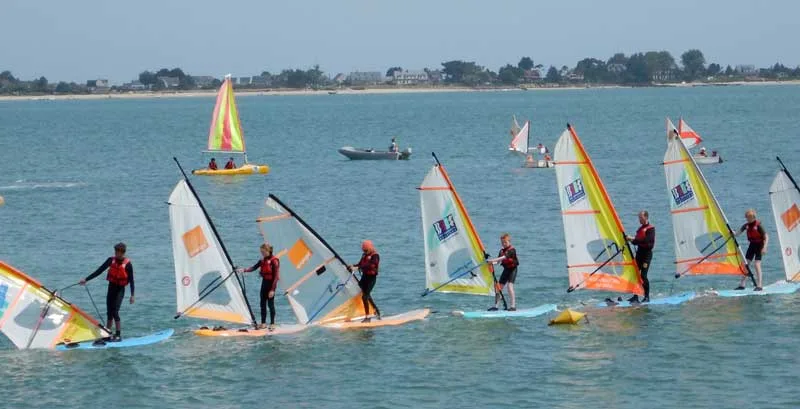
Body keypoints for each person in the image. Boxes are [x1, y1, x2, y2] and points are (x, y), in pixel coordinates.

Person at [80, 242, 134, 341]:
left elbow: (131, 280)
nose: (117, 254)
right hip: (111, 288)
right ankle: (108, 333)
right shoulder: (110, 260)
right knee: (109, 312)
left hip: (120, 290)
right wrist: (86, 279)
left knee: (115, 312)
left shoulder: (128, 265)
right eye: (116, 252)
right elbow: (99, 271)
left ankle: (118, 334)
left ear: (123, 253)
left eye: (119, 252)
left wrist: (132, 295)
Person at [239, 243, 279, 329]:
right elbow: (253, 268)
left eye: (264, 252)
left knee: (270, 304)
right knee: (262, 304)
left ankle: (272, 324)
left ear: (269, 251)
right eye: (261, 252)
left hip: (271, 284)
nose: (262, 254)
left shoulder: (274, 261)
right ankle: (263, 323)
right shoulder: (262, 261)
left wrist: (272, 290)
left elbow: (276, 277)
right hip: (264, 283)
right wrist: (244, 270)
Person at [625, 210, 655, 303]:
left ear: (646, 217)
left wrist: (634, 239)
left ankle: (647, 297)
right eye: (639, 218)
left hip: (647, 255)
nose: (639, 220)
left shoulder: (650, 229)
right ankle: (635, 296)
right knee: (636, 274)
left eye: (641, 218)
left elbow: (647, 242)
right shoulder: (640, 229)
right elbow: (635, 242)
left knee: (643, 275)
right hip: (639, 254)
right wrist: (629, 239)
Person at [348, 240, 380, 323]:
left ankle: (368, 317)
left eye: (366, 250)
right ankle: (376, 311)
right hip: (364, 277)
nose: (365, 251)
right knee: (365, 294)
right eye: (363, 250)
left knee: (365, 296)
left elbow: (371, 265)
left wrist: (358, 268)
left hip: (371, 279)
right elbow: (360, 264)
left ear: (370, 248)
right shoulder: (364, 255)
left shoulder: (375, 256)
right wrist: (353, 266)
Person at [735, 209, 767, 291]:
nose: (747, 219)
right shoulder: (746, 225)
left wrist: (764, 247)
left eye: (748, 218)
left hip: (759, 245)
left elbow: (766, 237)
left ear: (753, 217)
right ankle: (742, 285)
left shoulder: (758, 226)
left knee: (757, 264)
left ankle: (759, 285)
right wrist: (731, 232)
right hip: (752, 245)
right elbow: (737, 233)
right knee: (746, 264)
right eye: (746, 218)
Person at [487, 233, 518, 311]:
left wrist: (491, 260)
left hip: (512, 270)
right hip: (506, 270)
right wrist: (489, 263)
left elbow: (502, 258)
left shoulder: (512, 250)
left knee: (509, 286)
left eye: (505, 242)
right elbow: (497, 262)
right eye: (502, 243)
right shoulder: (501, 251)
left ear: (509, 242)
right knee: (498, 288)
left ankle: (513, 306)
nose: (504, 244)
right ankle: (496, 306)